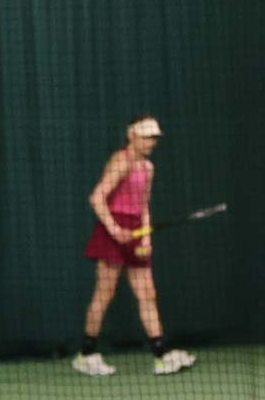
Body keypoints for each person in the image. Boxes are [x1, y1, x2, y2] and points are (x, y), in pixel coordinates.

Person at [74, 116, 196, 377]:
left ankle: (161, 355)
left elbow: (143, 205)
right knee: (105, 293)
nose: (151, 142)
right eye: (146, 137)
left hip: (136, 231)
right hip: (112, 229)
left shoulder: (148, 167)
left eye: (154, 138)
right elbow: (97, 197)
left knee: (147, 293)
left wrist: (146, 237)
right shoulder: (122, 161)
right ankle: (86, 354)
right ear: (132, 135)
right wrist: (114, 229)